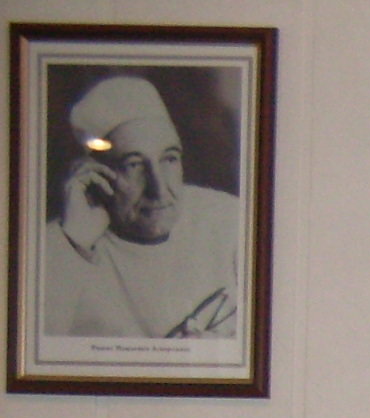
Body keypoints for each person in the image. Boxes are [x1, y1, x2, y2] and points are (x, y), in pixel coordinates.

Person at [41, 73, 239, 340]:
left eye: (169, 159)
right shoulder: (63, 244)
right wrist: (75, 243)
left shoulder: (228, 218)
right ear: (96, 175)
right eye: (133, 165)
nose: (158, 188)